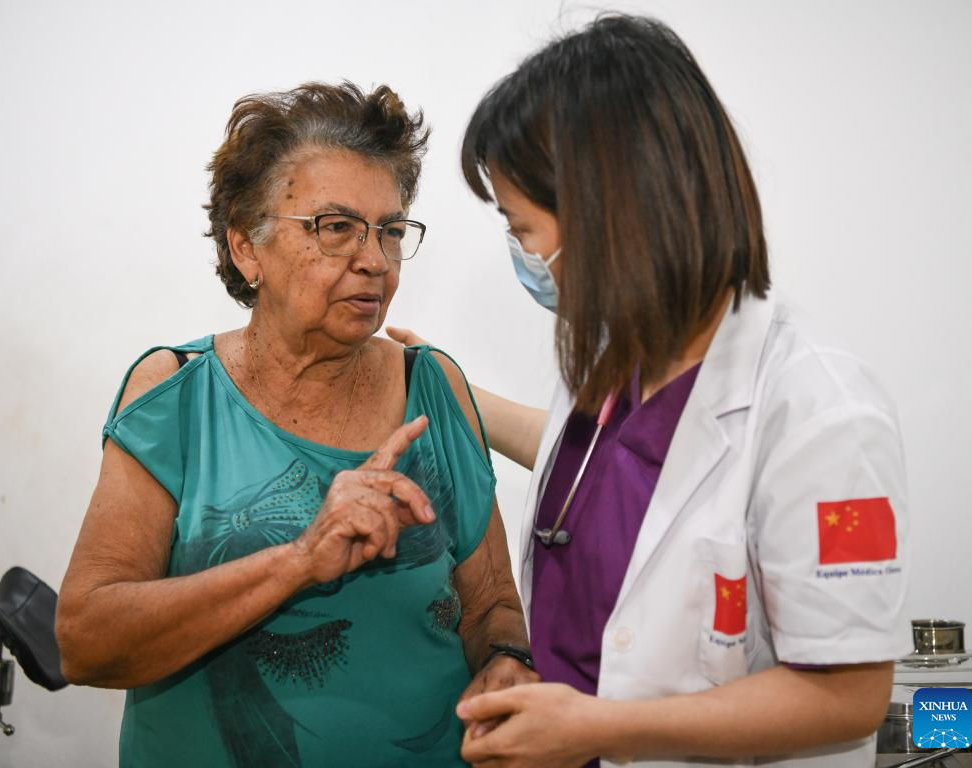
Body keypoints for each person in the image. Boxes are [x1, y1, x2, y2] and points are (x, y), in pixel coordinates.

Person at [390, 15, 909, 768]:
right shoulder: (621, 361)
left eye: (523, 228)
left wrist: (599, 728)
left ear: (612, 213)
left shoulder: (820, 414)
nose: (523, 256)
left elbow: (848, 697)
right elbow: (612, 473)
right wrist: (452, 389)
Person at [55, 81, 537, 768]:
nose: (374, 260)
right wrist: (300, 559)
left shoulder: (432, 385)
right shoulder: (175, 394)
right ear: (246, 248)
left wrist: (507, 660)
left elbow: (492, 606)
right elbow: (85, 641)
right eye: (336, 227)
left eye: (391, 231)